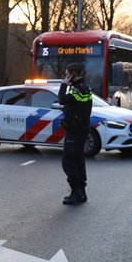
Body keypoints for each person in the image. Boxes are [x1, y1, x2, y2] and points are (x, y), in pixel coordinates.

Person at [58, 62, 94, 205]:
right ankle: (81, 192)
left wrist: (63, 85)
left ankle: (76, 192)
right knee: (78, 161)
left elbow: (62, 100)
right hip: (81, 129)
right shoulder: (85, 88)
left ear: (73, 74)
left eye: (67, 74)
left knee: (68, 162)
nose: (65, 76)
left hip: (75, 130)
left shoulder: (77, 90)